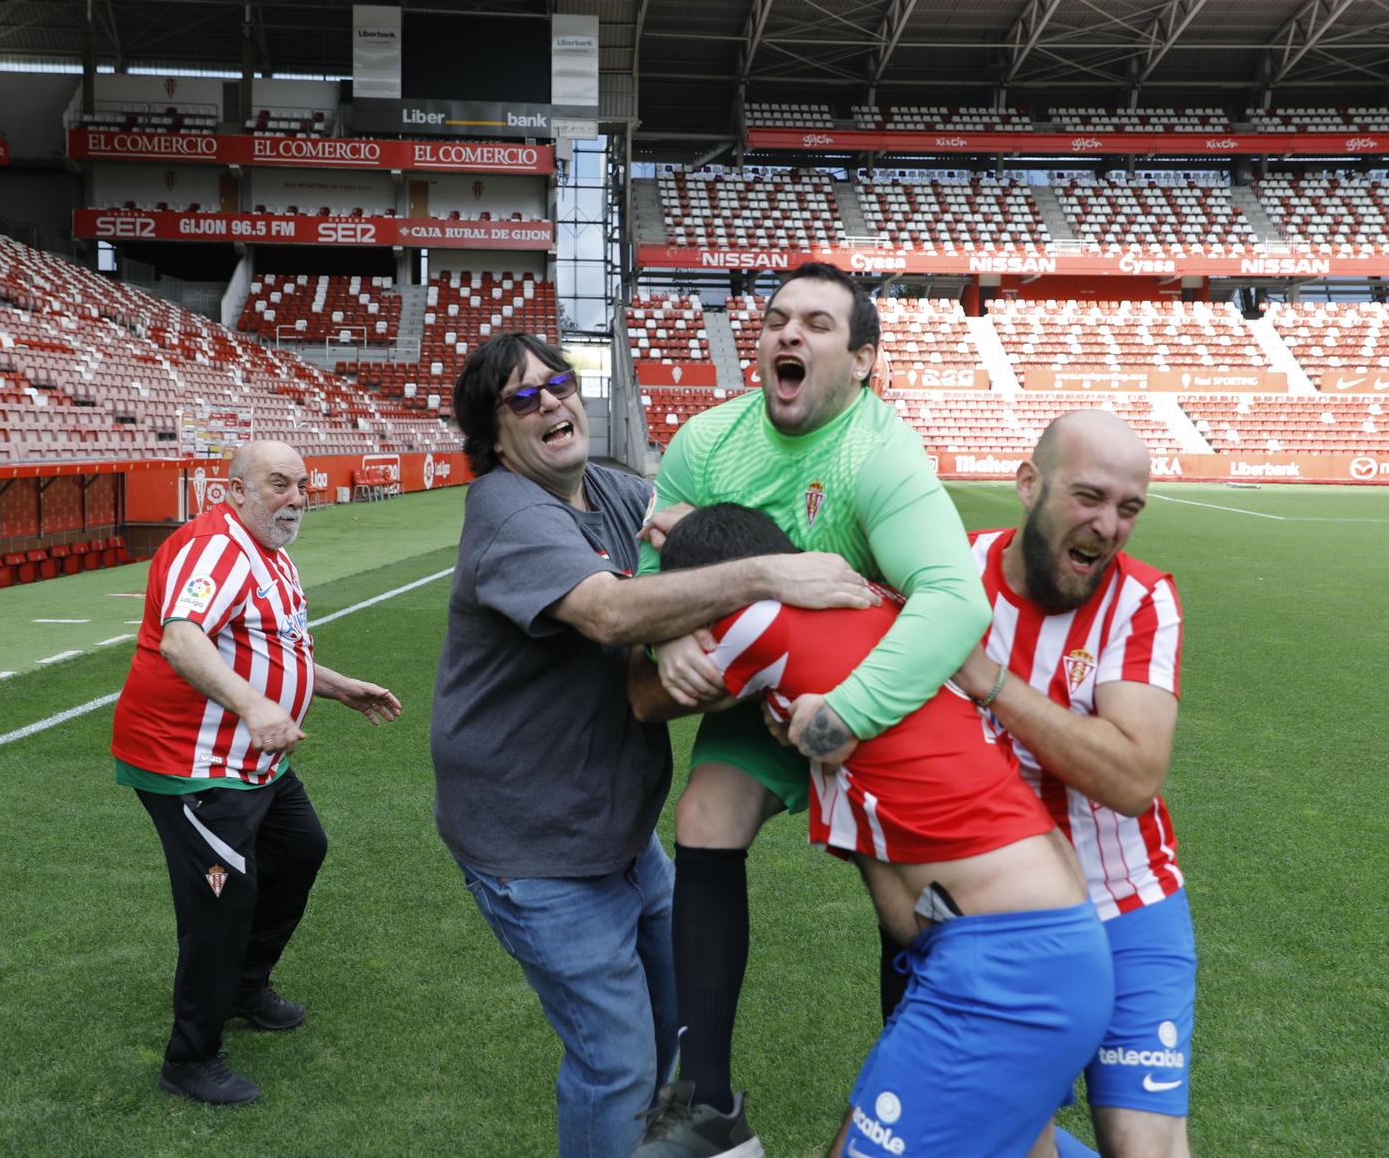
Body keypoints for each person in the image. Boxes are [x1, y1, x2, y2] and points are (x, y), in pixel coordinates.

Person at [431, 331, 877, 1157]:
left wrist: (675, 614)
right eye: (522, 399)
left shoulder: (604, 488)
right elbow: (607, 611)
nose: (552, 403)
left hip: (614, 828)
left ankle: (666, 1146)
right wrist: (767, 578)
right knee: (615, 1060)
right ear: (495, 439)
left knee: (682, 1006)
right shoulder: (507, 506)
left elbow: (682, 536)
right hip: (533, 843)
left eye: (557, 383)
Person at [629, 263, 991, 1156]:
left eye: (819, 324)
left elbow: (953, 600)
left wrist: (842, 715)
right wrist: (669, 638)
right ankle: (704, 1105)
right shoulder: (706, 440)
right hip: (758, 692)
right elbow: (648, 577)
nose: (789, 334)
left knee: (907, 899)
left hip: (875, 701)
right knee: (705, 813)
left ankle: (917, 1089)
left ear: (863, 360)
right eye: (776, 320)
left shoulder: (882, 450)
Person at [645, 503, 1113, 1158]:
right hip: (1043, 946)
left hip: (1000, 968)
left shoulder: (755, 617)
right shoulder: (877, 605)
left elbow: (644, 689)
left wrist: (668, 617)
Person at [111, 439, 403, 1106]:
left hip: (252, 761)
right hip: (191, 764)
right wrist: (252, 705)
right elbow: (182, 637)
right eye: (278, 483)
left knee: (302, 848)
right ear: (233, 489)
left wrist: (336, 686)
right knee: (224, 895)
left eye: (302, 484)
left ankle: (243, 984)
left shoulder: (267, 551)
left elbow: (271, 649)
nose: (296, 496)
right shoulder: (214, 547)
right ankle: (190, 1056)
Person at [953, 409, 1191, 1158]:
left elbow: (1132, 776)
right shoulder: (951, 572)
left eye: (1129, 508)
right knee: (1007, 1139)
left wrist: (991, 680)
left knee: (1145, 1146)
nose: (1110, 525)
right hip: (1006, 917)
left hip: (1130, 906)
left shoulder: (1142, 600)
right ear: (1029, 484)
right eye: (1088, 496)